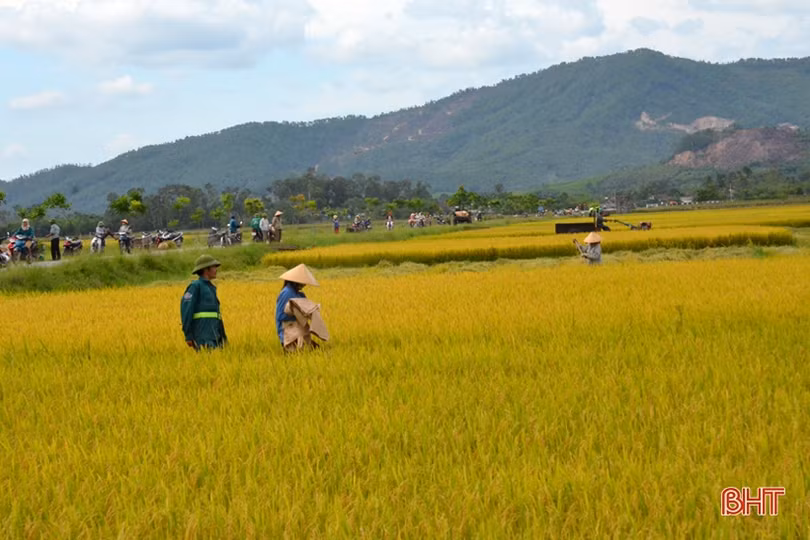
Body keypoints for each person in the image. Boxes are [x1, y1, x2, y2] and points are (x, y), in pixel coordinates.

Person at [181, 254, 227, 350]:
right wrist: (188, 335)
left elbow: (216, 314)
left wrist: (223, 338)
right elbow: (186, 311)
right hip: (202, 336)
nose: (216, 270)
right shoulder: (195, 287)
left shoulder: (211, 288)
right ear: (206, 270)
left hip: (215, 335)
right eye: (214, 267)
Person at [275, 264, 319, 350]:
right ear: (295, 281)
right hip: (288, 331)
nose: (304, 284)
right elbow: (280, 316)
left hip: (300, 329)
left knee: (315, 349)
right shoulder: (287, 293)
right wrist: (297, 314)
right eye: (302, 282)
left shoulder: (300, 294)